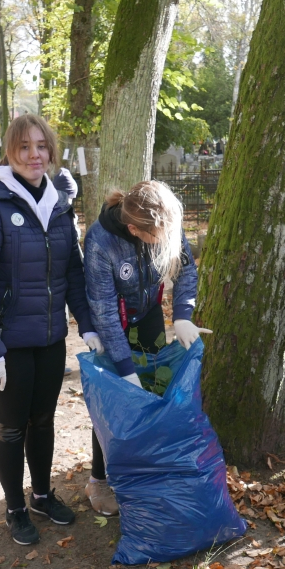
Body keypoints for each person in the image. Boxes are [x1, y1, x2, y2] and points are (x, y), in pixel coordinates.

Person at [0, 114, 99, 546]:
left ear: (51, 151)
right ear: (10, 152)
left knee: (43, 422)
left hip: (50, 339)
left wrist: (88, 326)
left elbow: (72, 273)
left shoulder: (60, 203)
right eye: (24, 147)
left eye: (41, 146)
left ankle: (41, 496)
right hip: (9, 345)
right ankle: (15, 508)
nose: (34, 155)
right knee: (12, 428)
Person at [82, 181, 204, 516]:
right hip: (114, 322)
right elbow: (104, 311)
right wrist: (125, 368)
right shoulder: (100, 241)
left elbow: (186, 271)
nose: (167, 240)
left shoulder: (166, 221)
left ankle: (145, 471)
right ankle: (99, 479)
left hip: (148, 314)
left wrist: (182, 316)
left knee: (155, 391)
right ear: (134, 229)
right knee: (115, 402)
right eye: (157, 237)